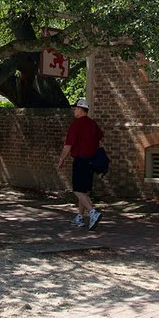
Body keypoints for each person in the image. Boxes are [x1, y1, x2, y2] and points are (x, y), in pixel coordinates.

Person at [56, 98, 104, 230]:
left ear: (82, 110)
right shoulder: (92, 124)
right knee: (83, 190)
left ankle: (93, 212)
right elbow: (100, 136)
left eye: (76, 108)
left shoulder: (76, 124)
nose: (74, 110)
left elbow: (68, 145)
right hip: (91, 160)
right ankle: (80, 218)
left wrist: (61, 159)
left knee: (77, 189)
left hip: (81, 159)